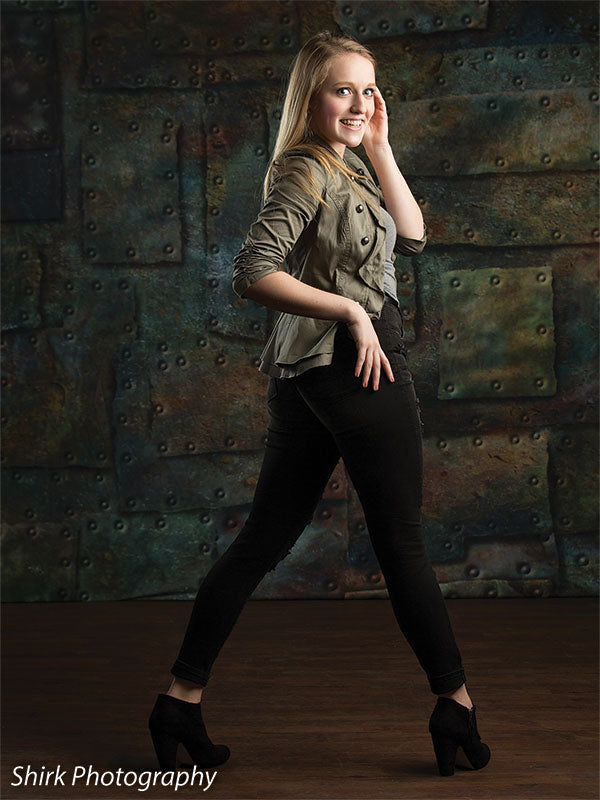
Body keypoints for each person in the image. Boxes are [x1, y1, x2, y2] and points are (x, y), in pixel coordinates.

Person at [148, 30, 491, 779]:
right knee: (402, 545)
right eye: (343, 89)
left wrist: (382, 147)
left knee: (262, 540)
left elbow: (413, 238)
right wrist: (352, 312)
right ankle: (455, 703)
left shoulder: (347, 164)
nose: (359, 103)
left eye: (369, 89)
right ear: (310, 97)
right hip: (356, 366)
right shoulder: (306, 169)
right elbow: (252, 271)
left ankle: (180, 699)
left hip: (306, 373)